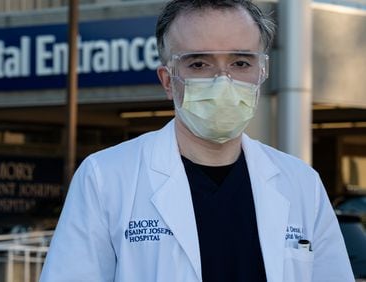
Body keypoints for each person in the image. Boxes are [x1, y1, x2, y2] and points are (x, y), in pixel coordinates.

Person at [40, 0, 355, 281]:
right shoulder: (105, 178)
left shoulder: (301, 184)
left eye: (241, 63)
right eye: (199, 64)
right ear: (167, 80)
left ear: (261, 72)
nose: (223, 81)